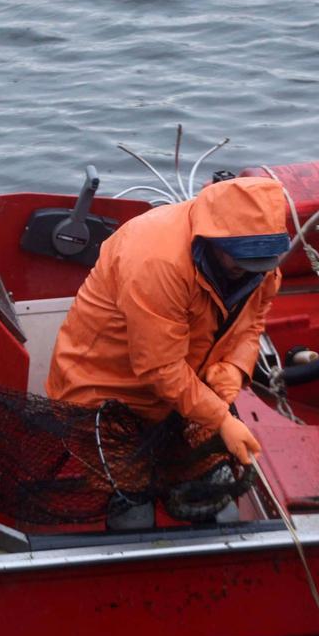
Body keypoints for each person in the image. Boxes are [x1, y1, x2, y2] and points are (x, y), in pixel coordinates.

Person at [47, 176, 289, 468]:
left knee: (196, 478)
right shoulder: (155, 263)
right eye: (242, 259)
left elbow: (252, 322)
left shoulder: (262, 267)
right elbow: (159, 367)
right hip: (105, 396)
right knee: (121, 493)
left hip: (181, 397)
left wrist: (234, 369)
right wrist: (220, 417)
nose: (252, 270)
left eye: (262, 262)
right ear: (213, 240)